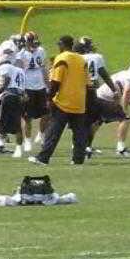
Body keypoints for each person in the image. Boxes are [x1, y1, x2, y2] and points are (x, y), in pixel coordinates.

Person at [29, 35, 88, 166]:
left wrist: (49, 99)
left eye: (59, 44)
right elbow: (87, 82)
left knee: (53, 131)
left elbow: (56, 81)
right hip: (79, 101)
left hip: (63, 101)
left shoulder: (61, 58)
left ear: (62, 44)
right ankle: (78, 159)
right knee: (79, 133)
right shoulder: (81, 59)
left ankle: (43, 158)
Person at [94, 65, 130, 156]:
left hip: (99, 95)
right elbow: (126, 92)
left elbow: (127, 94)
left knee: (97, 121)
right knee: (126, 119)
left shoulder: (124, 74)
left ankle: (85, 146)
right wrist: (124, 109)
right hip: (107, 98)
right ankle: (121, 148)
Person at [0, 46, 27, 158]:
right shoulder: (20, 70)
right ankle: (17, 149)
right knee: (17, 124)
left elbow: (5, 82)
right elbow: (23, 86)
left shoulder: (4, 67)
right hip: (19, 97)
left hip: (7, 97)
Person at [21, 32, 48, 150]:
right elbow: (20, 72)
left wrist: (48, 84)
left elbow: (43, 68)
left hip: (40, 86)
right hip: (28, 86)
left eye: (35, 42)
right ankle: (27, 140)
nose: (34, 45)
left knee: (47, 113)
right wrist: (22, 89)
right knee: (27, 117)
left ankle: (41, 134)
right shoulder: (21, 54)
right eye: (31, 42)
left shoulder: (41, 51)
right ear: (26, 42)